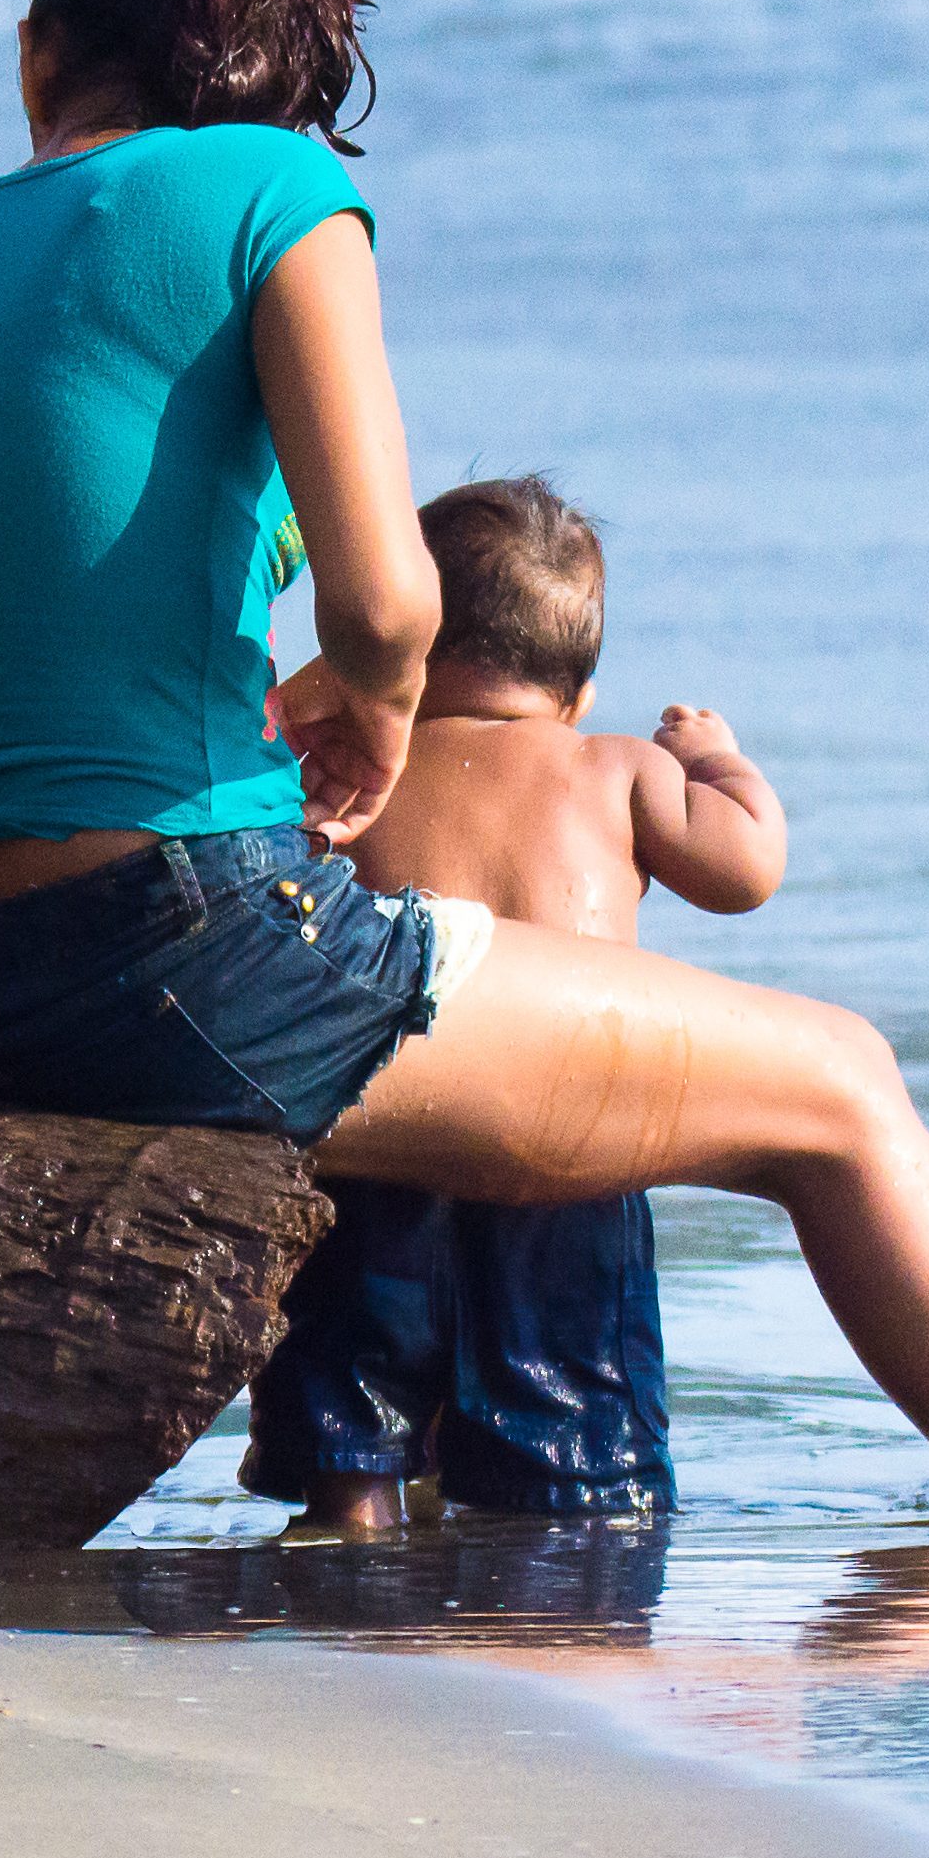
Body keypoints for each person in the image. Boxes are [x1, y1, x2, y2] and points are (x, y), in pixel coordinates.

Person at [0, 0, 929, 1507]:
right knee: (837, 1087)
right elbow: (384, 596)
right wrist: (370, 703)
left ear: (34, 53)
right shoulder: (273, 195)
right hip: (162, 957)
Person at [246, 476, 785, 1533]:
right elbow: (743, 870)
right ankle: (554, 1582)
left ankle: (353, 1520)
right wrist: (712, 759)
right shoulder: (616, 768)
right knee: (574, 1445)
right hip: (562, 1159)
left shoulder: (358, 771)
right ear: (577, 692)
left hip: (388, 1138)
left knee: (351, 1402)